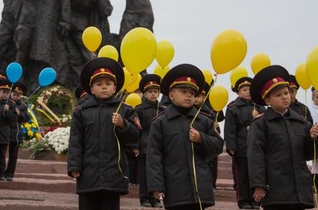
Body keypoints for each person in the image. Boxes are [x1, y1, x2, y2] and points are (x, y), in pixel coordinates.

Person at [147, 64, 224, 210]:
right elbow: (154, 156)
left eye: (192, 93)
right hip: (174, 189)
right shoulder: (160, 122)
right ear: (171, 95)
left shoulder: (203, 120)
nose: (189, 95)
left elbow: (218, 145)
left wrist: (201, 139)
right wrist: (156, 186)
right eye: (183, 91)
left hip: (200, 190)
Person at [67, 57, 140, 210]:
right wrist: (74, 166)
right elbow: (76, 141)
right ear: (92, 89)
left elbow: (135, 137)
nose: (104, 87)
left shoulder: (125, 110)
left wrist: (123, 125)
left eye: (108, 84)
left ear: (115, 88)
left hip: (114, 173)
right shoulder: (81, 111)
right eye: (99, 84)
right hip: (88, 173)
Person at [248, 65, 318, 209]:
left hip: (299, 191)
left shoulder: (302, 122)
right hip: (275, 191)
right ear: (268, 100)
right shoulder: (261, 124)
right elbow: (255, 155)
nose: (284, 97)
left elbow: (310, 155)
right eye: (278, 95)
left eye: (286, 93)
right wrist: (259, 184)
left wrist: (314, 138)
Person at [225, 76, 264, 209]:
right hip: (241, 146)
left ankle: (256, 200)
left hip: (257, 147)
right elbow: (229, 129)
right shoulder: (233, 108)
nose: (247, 92)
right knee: (241, 176)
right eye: (244, 89)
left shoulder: (260, 107)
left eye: (250, 89)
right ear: (238, 92)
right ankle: (243, 201)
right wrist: (231, 146)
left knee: (257, 174)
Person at [135, 73, 162, 208]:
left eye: (156, 91)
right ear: (144, 94)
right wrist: (135, 146)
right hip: (144, 146)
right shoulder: (139, 110)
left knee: (157, 174)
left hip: (159, 148)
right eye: (150, 91)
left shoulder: (164, 110)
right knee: (144, 175)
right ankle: (144, 198)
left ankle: (156, 198)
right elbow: (136, 130)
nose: (153, 94)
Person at [5, 81, 30, 181]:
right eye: (14, 94)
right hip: (5, 132)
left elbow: (26, 118)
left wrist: (20, 114)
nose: (15, 96)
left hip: (16, 133)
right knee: (1, 154)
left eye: (18, 95)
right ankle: (0, 172)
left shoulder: (23, 106)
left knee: (13, 155)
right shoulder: (6, 103)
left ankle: (10, 173)